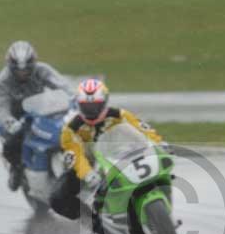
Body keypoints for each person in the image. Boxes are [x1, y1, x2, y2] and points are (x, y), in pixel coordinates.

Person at [50, 78, 162, 221]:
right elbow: (75, 154)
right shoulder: (70, 127)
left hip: (122, 154)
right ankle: (91, 221)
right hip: (88, 164)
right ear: (78, 104)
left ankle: (149, 199)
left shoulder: (119, 115)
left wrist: (158, 144)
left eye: (95, 106)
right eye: (86, 106)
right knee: (58, 198)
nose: (91, 111)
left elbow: (144, 129)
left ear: (105, 102)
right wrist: (87, 173)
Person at [0, 40, 72, 191]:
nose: (22, 73)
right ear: (11, 66)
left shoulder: (42, 70)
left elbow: (62, 84)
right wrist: (10, 122)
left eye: (26, 69)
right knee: (13, 143)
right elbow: (1, 107)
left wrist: (73, 97)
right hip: (14, 117)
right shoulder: (2, 82)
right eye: (18, 70)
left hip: (39, 110)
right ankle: (16, 168)